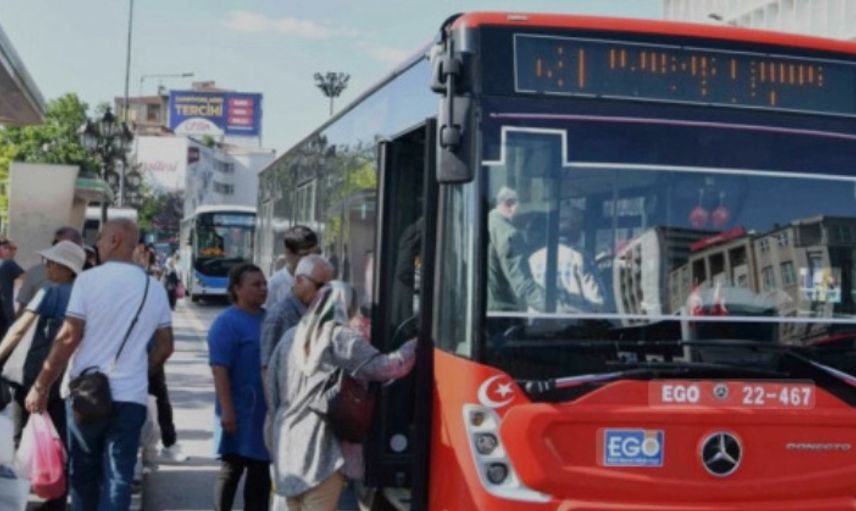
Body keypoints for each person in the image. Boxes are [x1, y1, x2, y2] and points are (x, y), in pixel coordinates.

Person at [25, 218, 174, 511]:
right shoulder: (153, 287)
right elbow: (165, 346)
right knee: (119, 477)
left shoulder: (88, 281)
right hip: (131, 397)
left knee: (83, 473)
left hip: (86, 395)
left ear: (115, 240)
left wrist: (41, 385)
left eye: (102, 238)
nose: (98, 244)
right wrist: (140, 372)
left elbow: (68, 337)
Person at [267, 281, 417, 511]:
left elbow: (272, 392)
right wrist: (415, 344)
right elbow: (384, 367)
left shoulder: (289, 337)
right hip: (320, 448)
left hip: (287, 444)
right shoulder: (338, 337)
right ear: (347, 307)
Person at [0, 240, 85, 511]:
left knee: (20, 433)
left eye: (52, 263)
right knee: (59, 436)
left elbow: (19, 329)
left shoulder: (49, 291)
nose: (47, 267)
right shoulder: (84, 293)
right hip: (66, 376)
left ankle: (19, 495)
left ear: (66, 268)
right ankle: (57, 498)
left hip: (34, 375)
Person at [208, 263, 271, 511]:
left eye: (264, 284)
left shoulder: (269, 319)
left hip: (263, 412)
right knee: (232, 467)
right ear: (237, 289)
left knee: (260, 471)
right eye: (256, 285)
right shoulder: (226, 323)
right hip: (238, 410)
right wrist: (227, 410)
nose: (263, 289)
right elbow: (219, 369)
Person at [260, 254, 334, 371]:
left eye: (328, 288)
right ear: (299, 280)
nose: (324, 292)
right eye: (319, 286)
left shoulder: (323, 311)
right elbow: (267, 367)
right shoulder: (279, 314)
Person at [528, 210, 605, 312]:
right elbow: (598, 300)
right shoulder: (581, 257)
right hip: (572, 319)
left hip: (538, 320)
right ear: (576, 231)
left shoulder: (533, 258)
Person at [487, 187, 544, 312]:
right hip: (502, 311)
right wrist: (554, 309)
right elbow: (523, 285)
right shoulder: (509, 233)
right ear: (509, 204)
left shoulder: (485, 222)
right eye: (525, 212)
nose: (527, 221)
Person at [16, 226, 84, 317]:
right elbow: (22, 309)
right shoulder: (36, 273)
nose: (49, 268)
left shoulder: (87, 282)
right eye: (55, 243)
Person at [265, 226, 319, 310]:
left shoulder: (321, 283)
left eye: (315, 254)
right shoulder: (274, 285)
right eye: (305, 255)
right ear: (289, 253)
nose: (311, 259)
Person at [0, 238, 24, 336]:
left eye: (15, 249)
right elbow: (27, 280)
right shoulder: (9, 263)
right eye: (11, 248)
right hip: (5, 310)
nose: (14, 252)